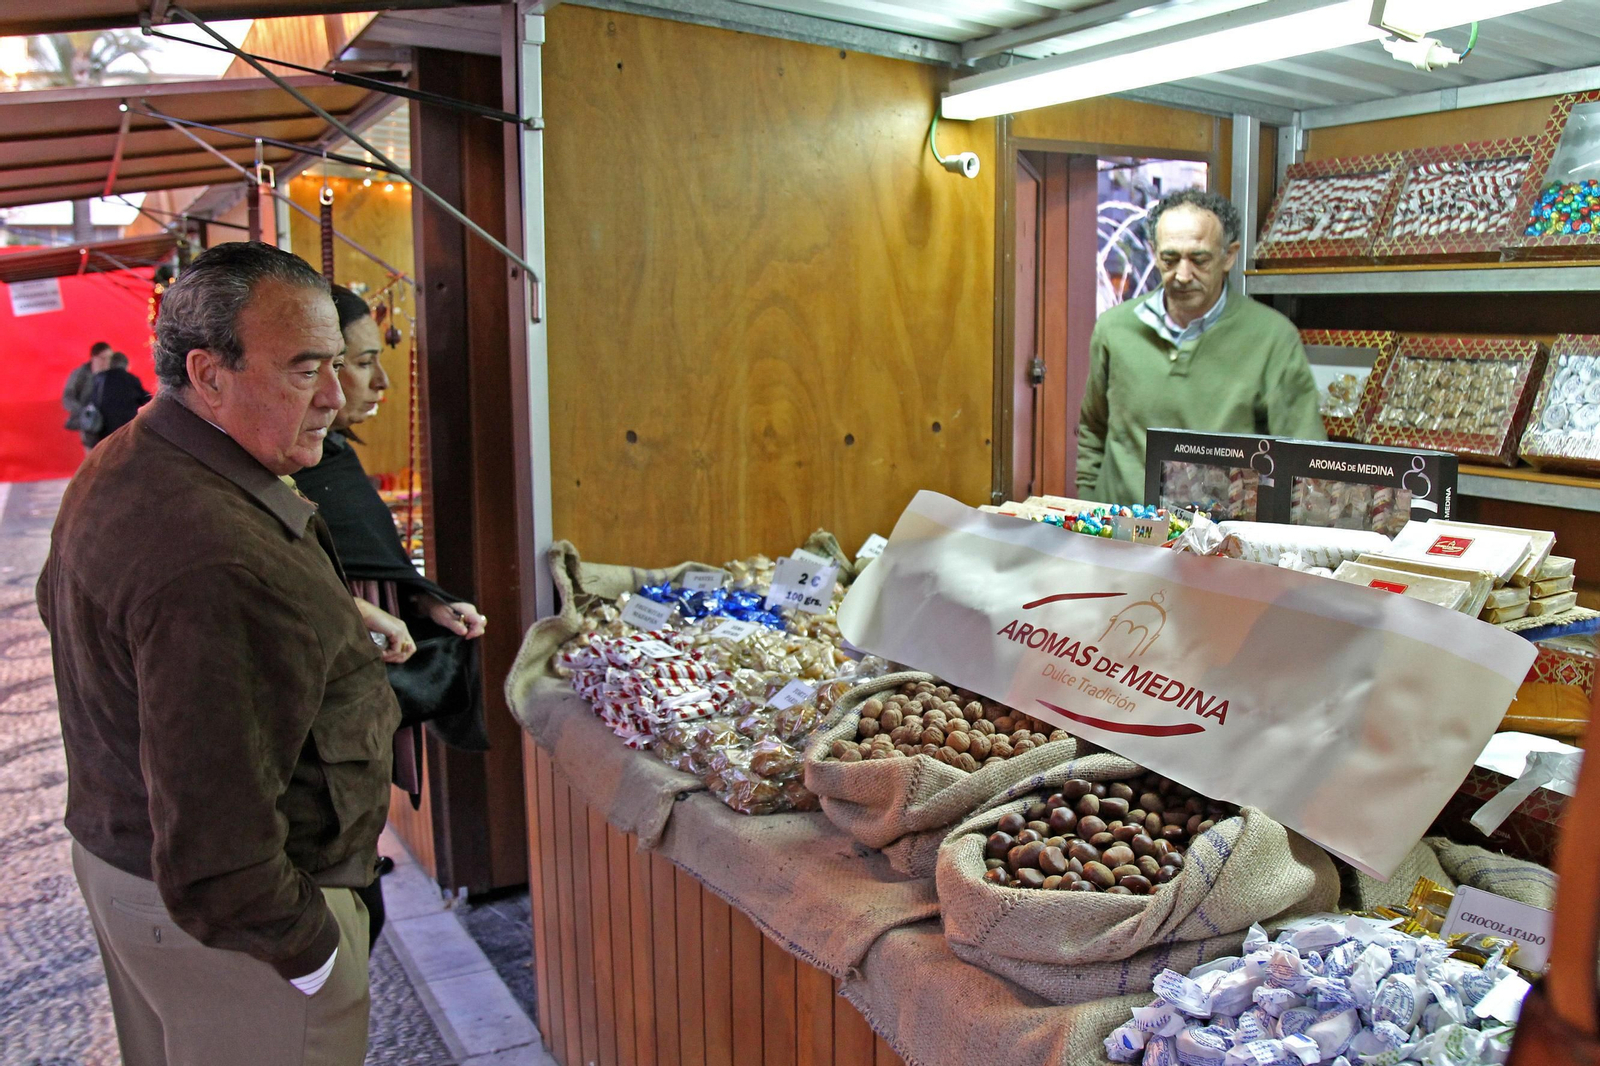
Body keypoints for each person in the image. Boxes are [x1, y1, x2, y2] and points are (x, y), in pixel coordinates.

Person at [37, 242, 412, 1066]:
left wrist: (328, 618)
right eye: (303, 368)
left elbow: (105, 619)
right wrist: (312, 955)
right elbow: (218, 843)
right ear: (209, 375)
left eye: (336, 364)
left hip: (132, 873)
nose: (335, 396)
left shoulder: (136, 459)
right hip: (229, 928)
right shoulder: (214, 555)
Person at [294, 284, 488, 948]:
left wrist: (423, 597)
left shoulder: (336, 459)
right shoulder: (281, 472)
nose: (376, 381)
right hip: (318, 747)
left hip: (358, 726)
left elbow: (367, 554)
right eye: (357, 361)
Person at [1076, 188, 1325, 503]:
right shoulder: (1115, 329)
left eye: (1199, 259)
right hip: (1119, 536)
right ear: (1153, 253)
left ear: (1229, 256)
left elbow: (1302, 460)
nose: (1182, 275)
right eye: (1170, 258)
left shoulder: (1272, 338)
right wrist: (1085, 505)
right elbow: (1093, 431)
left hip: (1220, 542)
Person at [84, 351, 152, 448]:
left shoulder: (100, 379)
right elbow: (146, 399)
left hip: (105, 431)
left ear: (111, 364)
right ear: (126, 365)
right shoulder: (131, 379)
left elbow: (93, 402)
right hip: (127, 430)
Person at [62, 341, 112, 449]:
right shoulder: (80, 374)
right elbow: (68, 398)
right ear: (93, 357)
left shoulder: (113, 375)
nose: (107, 362)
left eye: (109, 358)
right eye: (103, 358)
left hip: (110, 422)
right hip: (89, 423)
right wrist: (83, 411)